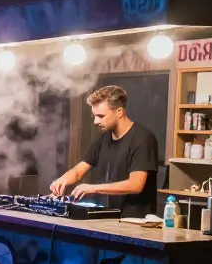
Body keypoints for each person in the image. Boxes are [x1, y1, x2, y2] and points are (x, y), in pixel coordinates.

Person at [49, 85, 160, 217]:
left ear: (119, 112)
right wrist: (61, 181)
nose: (95, 121)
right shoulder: (103, 139)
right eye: (94, 116)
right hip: (109, 217)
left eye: (101, 116)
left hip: (135, 221)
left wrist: (93, 188)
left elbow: (136, 185)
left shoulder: (143, 139)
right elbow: (78, 172)